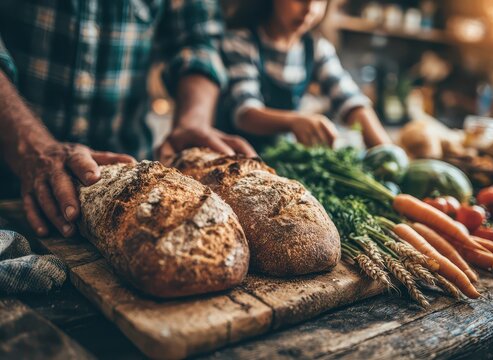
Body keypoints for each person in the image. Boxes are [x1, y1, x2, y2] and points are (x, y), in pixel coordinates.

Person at [0, 0, 256, 238]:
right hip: (10, 181)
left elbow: (198, 39)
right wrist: (29, 146)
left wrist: (194, 120)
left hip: (131, 186)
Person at [218, 0, 392, 152]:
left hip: (279, 161)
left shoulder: (317, 49)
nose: (310, 9)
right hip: (234, 157)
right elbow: (245, 115)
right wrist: (293, 121)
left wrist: (386, 150)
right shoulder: (241, 43)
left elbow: (350, 101)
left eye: (319, 1)